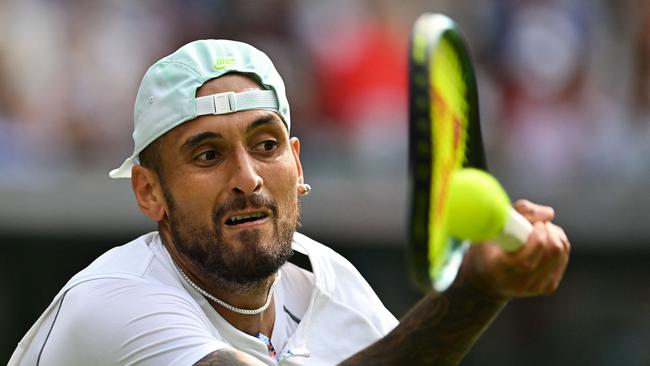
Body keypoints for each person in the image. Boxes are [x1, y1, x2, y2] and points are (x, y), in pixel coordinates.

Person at [9, 39, 570, 366]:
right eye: (207, 155)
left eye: (266, 145)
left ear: (297, 166)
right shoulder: (114, 303)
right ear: (149, 191)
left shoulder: (331, 283)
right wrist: (479, 291)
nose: (247, 178)